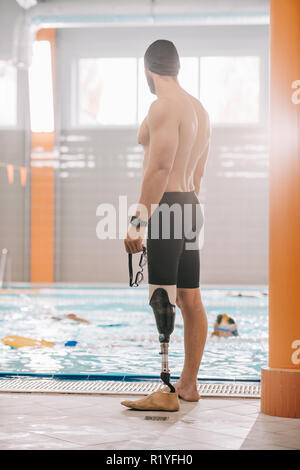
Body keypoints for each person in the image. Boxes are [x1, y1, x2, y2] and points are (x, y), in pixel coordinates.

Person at [124, 39, 211, 404]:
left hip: (167, 207)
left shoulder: (163, 106)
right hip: (191, 204)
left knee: (162, 297)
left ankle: (166, 390)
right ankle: (188, 385)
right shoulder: (198, 109)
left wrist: (138, 219)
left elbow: (159, 168)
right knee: (190, 297)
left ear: (147, 70)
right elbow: (199, 171)